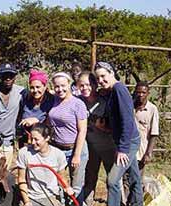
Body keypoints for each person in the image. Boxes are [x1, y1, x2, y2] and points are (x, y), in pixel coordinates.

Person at [94, 62, 143, 206]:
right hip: (127, 140)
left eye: (103, 76)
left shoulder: (119, 90)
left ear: (111, 73)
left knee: (112, 180)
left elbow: (127, 120)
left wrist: (123, 148)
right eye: (98, 78)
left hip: (128, 142)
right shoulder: (112, 91)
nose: (100, 81)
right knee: (134, 177)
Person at [48, 71, 88, 205]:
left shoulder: (78, 104)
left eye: (63, 86)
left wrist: (76, 155)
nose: (60, 89)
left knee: (76, 186)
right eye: (57, 86)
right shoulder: (54, 101)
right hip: (58, 149)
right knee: (60, 183)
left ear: (69, 84)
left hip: (76, 148)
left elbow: (82, 130)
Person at [77, 71, 116, 206]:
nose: (85, 88)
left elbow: (115, 126)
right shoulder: (78, 101)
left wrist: (102, 127)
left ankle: (116, 202)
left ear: (94, 85)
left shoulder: (105, 101)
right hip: (89, 147)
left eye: (88, 84)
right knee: (90, 176)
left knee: (112, 178)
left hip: (108, 146)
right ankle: (87, 201)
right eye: (81, 85)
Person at [17, 123, 74, 206]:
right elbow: (21, 179)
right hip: (31, 197)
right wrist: (27, 201)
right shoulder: (24, 153)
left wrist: (67, 187)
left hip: (51, 196)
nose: (33, 142)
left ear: (47, 138)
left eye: (36, 139)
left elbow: (62, 178)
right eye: (31, 138)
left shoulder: (58, 154)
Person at [17, 69, 54, 148]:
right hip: (25, 141)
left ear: (44, 86)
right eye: (32, 87)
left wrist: (37, 121)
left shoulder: (51, 101)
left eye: (38, 87)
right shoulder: (25, 99)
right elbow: (18, 117)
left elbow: (52, 124)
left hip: (43, 143)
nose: (35, 90)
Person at [134, 81, 159, 175]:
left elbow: (154, 133)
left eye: (143, 93)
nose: (140, 95)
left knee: (137, 179)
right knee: (125, 180)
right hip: (127, 151)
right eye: (138, 92)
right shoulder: (130, 107)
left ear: (148, 93)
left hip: (141, 151)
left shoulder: (152, 109)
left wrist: (148, 153)